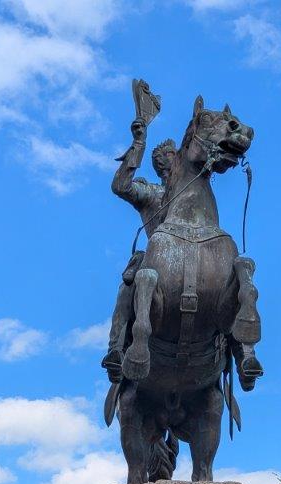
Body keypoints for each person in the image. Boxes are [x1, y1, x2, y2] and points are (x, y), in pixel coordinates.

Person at [101, 119, 176, 381]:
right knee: (128, 288)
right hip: (156, 260)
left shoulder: (197, 196)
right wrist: (139, 143)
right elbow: (120, 186)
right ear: (161, 164)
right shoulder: (151, 192)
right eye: (169, 156)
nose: (174, 159)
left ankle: (241, 350)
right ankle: (116, 349)